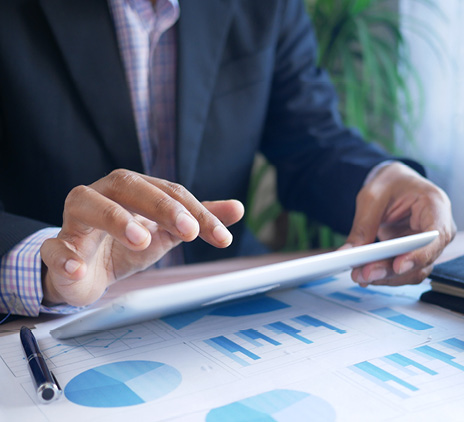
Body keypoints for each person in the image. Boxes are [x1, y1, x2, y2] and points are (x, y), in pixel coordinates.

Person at [0, 0, 455, 316]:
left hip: (228, 291)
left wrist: (385, 180)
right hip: (56, 315)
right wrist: (52, 267)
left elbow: (310, 139)